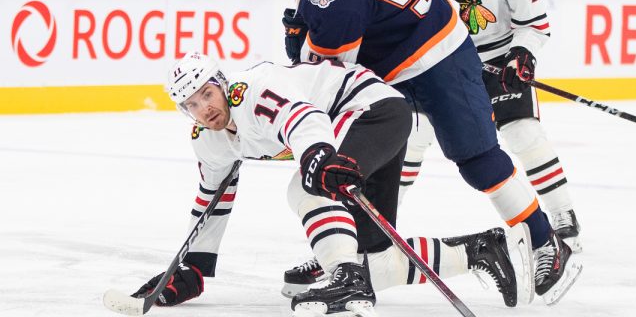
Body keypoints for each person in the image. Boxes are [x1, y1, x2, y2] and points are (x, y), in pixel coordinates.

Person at [280, 0, 581, 306]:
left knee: (477, 160)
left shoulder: (339, 0)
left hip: (439, 55)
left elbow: (332, 80)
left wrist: (296, 52)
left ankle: (546, 240)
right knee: (363, 157)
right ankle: (350, 256)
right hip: (395, 60)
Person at [131, 52, 527, 315]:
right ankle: (478, 250)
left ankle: (346, 277)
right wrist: (193, 269)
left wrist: (317, 155)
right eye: (192, 105)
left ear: (220, 82)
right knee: (378, 260)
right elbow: (212, 201)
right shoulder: (209, 139)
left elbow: (303, 118)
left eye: (206, 94)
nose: (205, 109)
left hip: (374, 113)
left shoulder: (253, 91)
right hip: (358, 132)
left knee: (306, 187)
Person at [401, 0, 582, 255]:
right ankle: (382, 218)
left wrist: (522, 55)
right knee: (411, 138)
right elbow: (405, 7)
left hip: (496, 57)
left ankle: (563, 215)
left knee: (524, 134)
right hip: (438, 57)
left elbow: (533, 25)